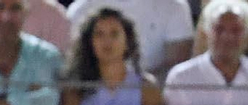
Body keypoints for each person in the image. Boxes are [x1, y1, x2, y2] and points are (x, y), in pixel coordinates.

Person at [55, 6, 164, 105]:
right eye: (99, 34)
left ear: (127, 41)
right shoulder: (75, 89)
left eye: (114, 34)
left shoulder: (146, 88)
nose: (107, 41)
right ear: (90, 42)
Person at [63, 0, 193, 78]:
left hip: (156, 103)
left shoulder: (174, 6)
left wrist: (137, 90)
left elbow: (175, 70)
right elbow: (73, 68)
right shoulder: (80, 9)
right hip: (91, 98)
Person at [0, 0, 72, 53]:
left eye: (15, 9)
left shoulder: (55, 14)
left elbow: (57, 68)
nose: (6, 18)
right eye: (0, 8)